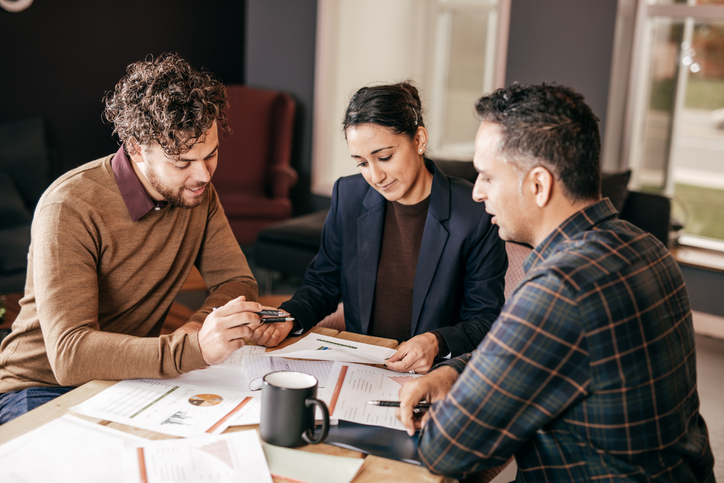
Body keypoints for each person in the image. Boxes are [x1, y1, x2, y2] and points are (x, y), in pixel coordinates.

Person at [397, 83, 715, 481]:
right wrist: (455, 371)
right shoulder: (644, 246)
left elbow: (448, 451)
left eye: (486, 177)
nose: (477, 193)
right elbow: (535, 351)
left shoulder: (561, 288)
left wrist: (457, 403)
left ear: (538, 185)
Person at [0, 53, 266, 424]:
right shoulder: (70, 206)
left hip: (128, 378)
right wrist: (192, 349)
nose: (203, 175)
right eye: (182, 162)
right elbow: (70, 355)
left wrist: (199, 325)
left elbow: (236, 280)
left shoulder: (197, 193)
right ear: (137, 147)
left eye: (211, 155)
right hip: (38, 386)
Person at [252, 82, 508, 374]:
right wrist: (290, 316)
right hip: (362, 368)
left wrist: (437, 341)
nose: (375, 176)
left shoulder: (474, 212)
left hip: (433, 374)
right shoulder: (348, 196)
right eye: (361, 163)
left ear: (419, 139)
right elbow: (323, 283)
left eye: (384, 157)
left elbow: (485, 316)